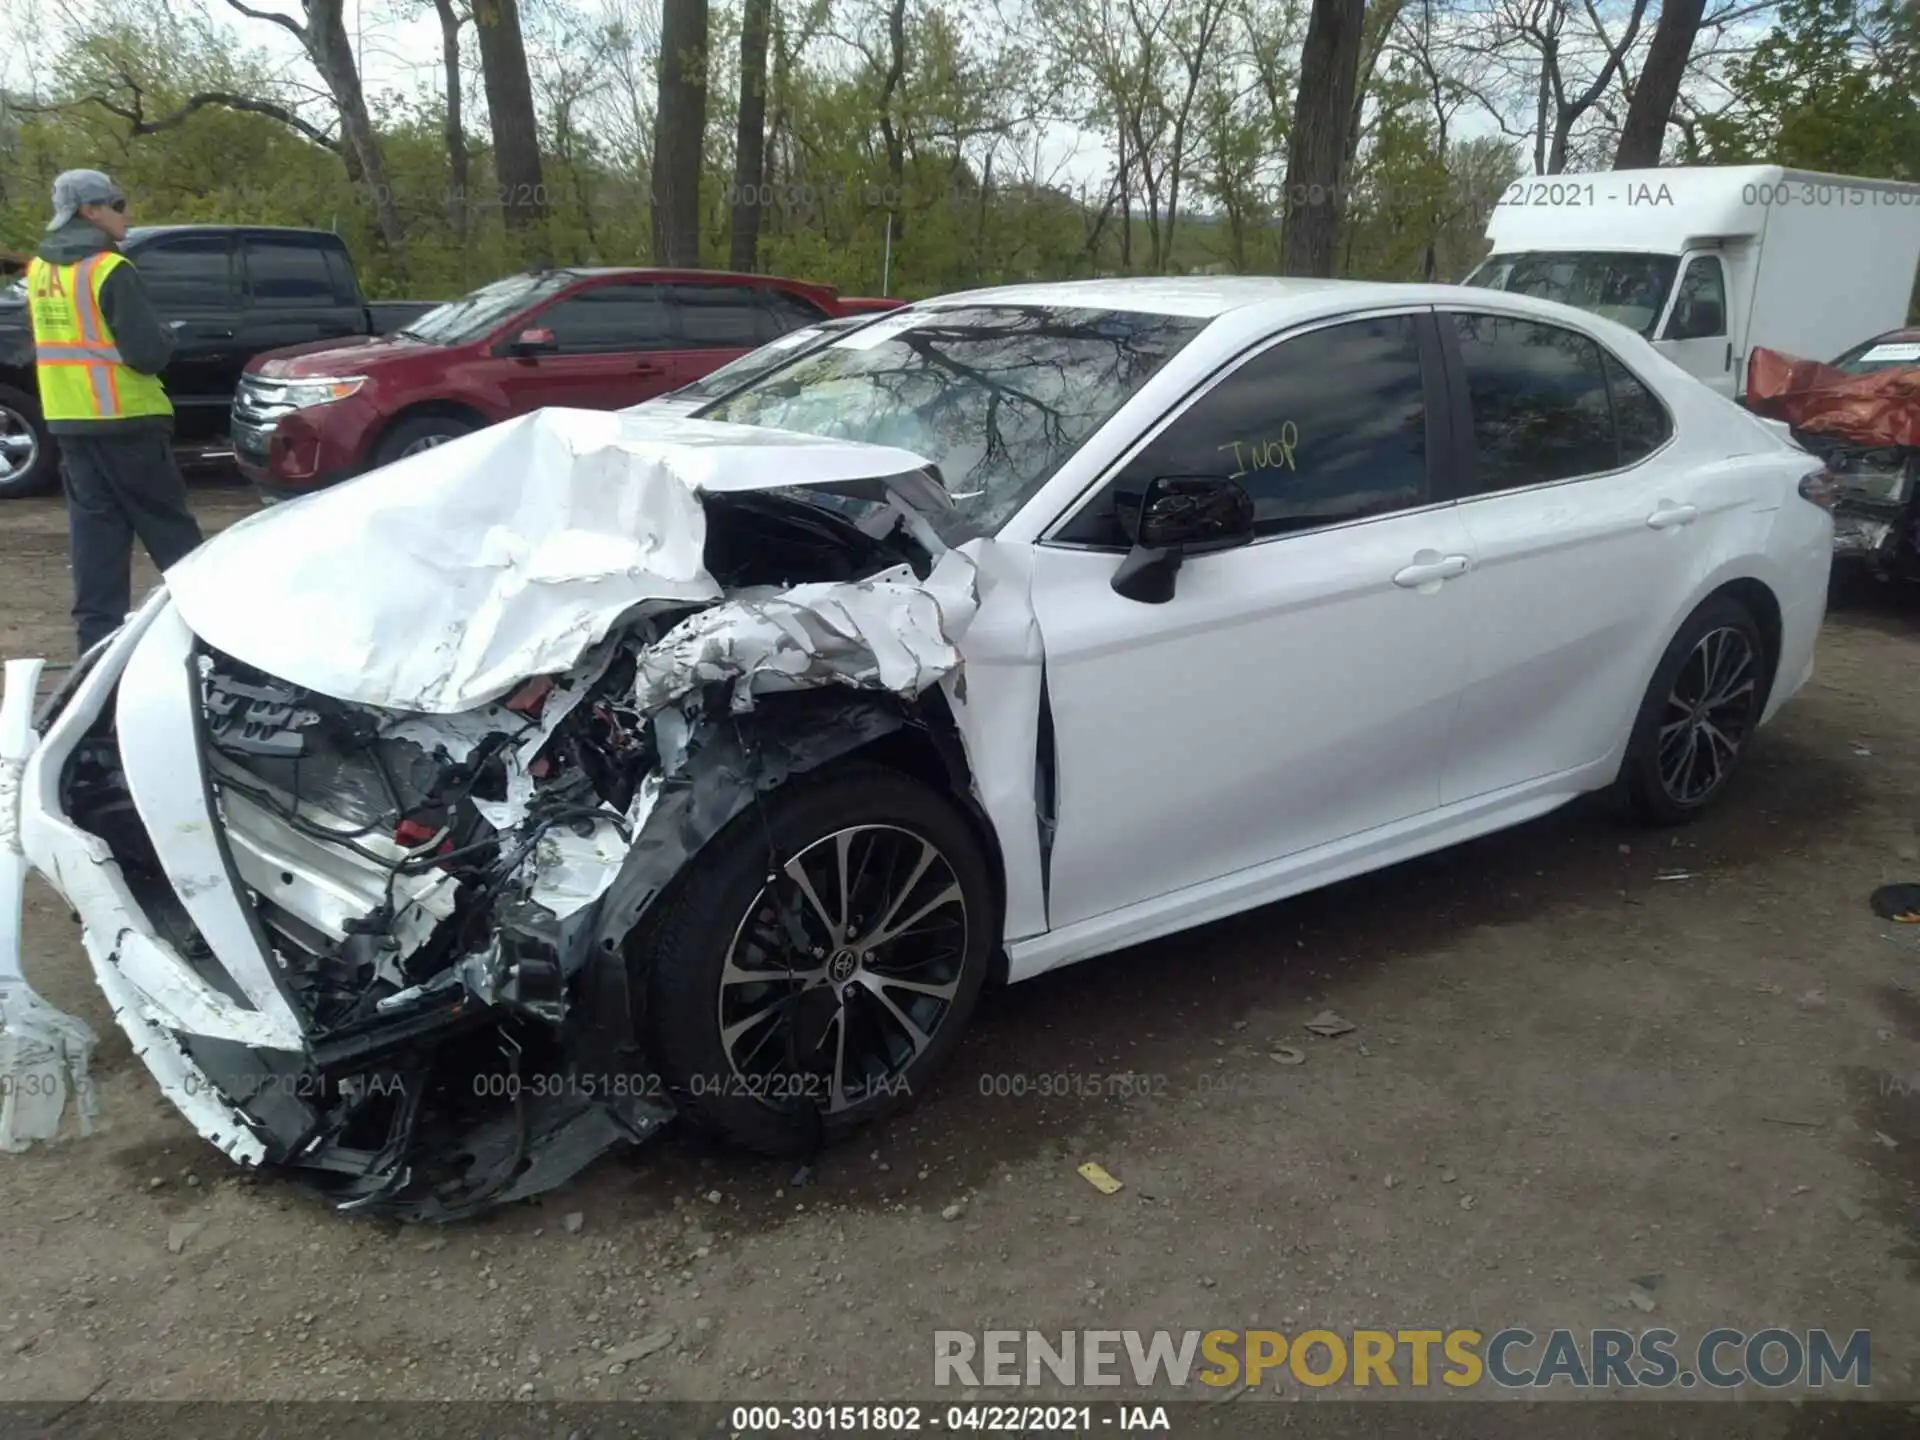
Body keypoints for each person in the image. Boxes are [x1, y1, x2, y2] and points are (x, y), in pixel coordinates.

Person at [26, 169, 202, 656]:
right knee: (177, 546)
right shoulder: (109, 269)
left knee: (97, 553)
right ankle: (213, 648)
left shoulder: (41, 270)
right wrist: (168, 336)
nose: (127, 213)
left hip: (71, 424)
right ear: (91, 211)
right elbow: (145, 354)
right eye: (118, 203)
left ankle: (95, 672)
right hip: (128, 421)